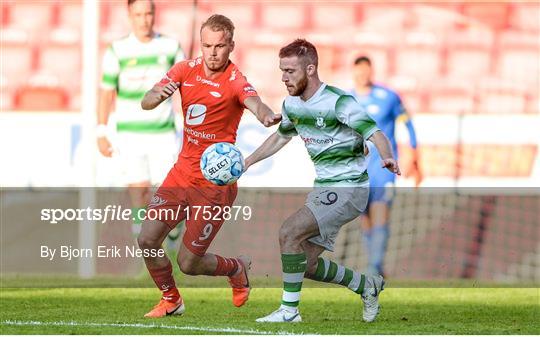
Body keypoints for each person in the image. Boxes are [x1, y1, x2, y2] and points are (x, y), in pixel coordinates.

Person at [244, 39, 400, 323]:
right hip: (324, 189)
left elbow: (375, 133)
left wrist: (387, 156)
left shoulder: (338, 102)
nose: (284, 77)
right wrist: (246, 162)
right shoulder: (292, 104)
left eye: (290, 71)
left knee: (288, 232)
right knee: (304, 263)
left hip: (349, 188)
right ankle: (367, 285)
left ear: (311, 69)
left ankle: (289, 311)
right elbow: (281, 136)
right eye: (282, 70)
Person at [138, 14, 281, 318]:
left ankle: (236, 268)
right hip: (182, 174)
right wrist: (156, 96)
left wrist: (266, 115)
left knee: (189, 263)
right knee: (147, 239)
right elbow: (146, 101)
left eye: (219, 46)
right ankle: (171, 299)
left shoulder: (235, 81)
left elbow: (255, 103)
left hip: (214, 186)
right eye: (207, 46)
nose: (212, 53)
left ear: (231, 45)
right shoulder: (184, 70)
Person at [96, 0, 185, 248]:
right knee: (140, 195)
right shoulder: (118, 50)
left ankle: (174, 239)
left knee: (170, 196)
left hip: (163, 135)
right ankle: (146, 252)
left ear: (154, 14)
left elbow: (186, 87)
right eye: (138, 14)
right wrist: (101, 130)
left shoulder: (170, 47)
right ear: (129, 15)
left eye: (148, 13)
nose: (144, 19)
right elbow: (106, 92)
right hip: (129, 135)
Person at [350, 56, 422, 277]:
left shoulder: (388, 97)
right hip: (356, 169)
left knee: (381, 211)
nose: (363, 75)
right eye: (358, 71)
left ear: (371, 71)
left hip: (383, 168)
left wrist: (414, 154)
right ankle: (376, 264)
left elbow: (407, 123)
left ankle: (374, 266)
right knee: (366, 219)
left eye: (366, 70)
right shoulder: (347, 99)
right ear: (354, 72)